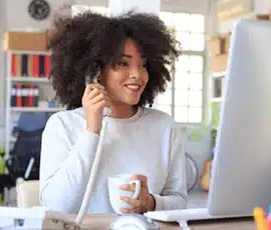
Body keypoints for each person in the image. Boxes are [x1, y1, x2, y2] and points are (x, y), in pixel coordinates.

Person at [39, 9, 188, 215]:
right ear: (94, 71)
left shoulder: (163, 126)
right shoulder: (63, 126)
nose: (137, 74)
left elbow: (179, 201)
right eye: (122, 63)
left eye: (143, 65)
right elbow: (56, 206)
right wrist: (92, 129)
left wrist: (152, 203)